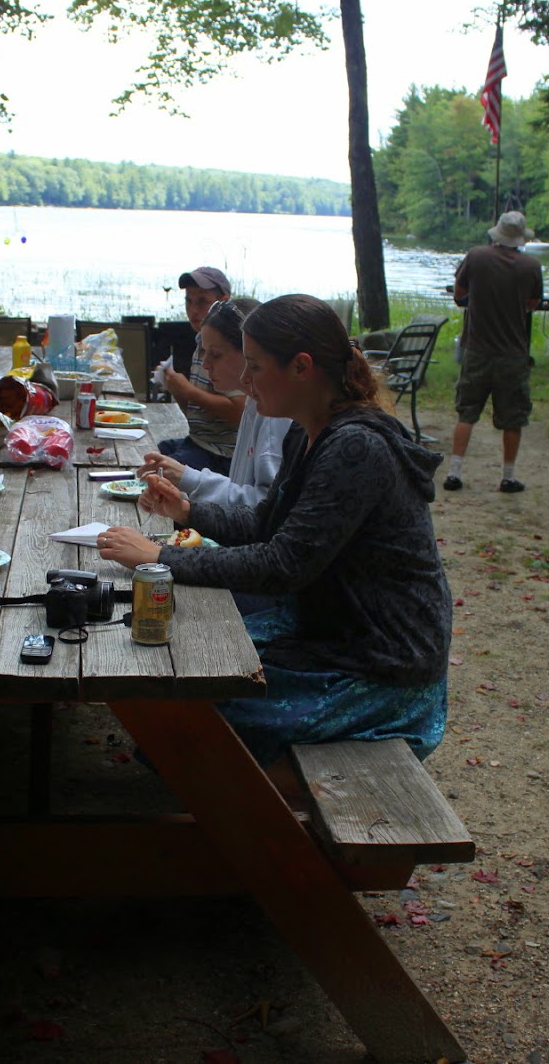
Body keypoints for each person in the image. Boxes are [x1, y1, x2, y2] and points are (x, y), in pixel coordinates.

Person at [98, 294, 452, 769]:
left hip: (381, 664)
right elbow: (268, 523)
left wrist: (159, 558)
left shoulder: (356, 448)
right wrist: (188, 511)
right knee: (173, 660)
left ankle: (279, 801)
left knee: (185, 709)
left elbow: (283, 565)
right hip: (332, 633)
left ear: (301, 367)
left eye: (256, 366)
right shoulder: (305, 431)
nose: (245, 381)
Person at [135, 297, 292, 509]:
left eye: (215, 355)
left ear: (249, 353)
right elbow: (239, 492)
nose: (205, 364)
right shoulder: (253, 403)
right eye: (203, 353)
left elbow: (265, 506)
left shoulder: (274, 414)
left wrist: (187, 480)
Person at [446, 210, 544, 494]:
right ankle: (508, 477)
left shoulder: (476, 256)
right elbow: (532, 303)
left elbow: (459, 294)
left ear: (497, 233)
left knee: (466, 413)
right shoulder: (531, 265)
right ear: (521, 238)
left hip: (477, 349)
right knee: (513, 417)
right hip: (513, 353)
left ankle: (454, 473)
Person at [156, 265, 246, 475]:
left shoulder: (228, 349)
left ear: (223, 303)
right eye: (188, 301)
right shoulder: (201, 343)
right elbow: (196, 414)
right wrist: (178, 391)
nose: (193, 310)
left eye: (202, 301)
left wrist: (188, 390)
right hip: (198, 441)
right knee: (153, 450)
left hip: (221, 453)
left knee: (158, 473)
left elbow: (238, 411)